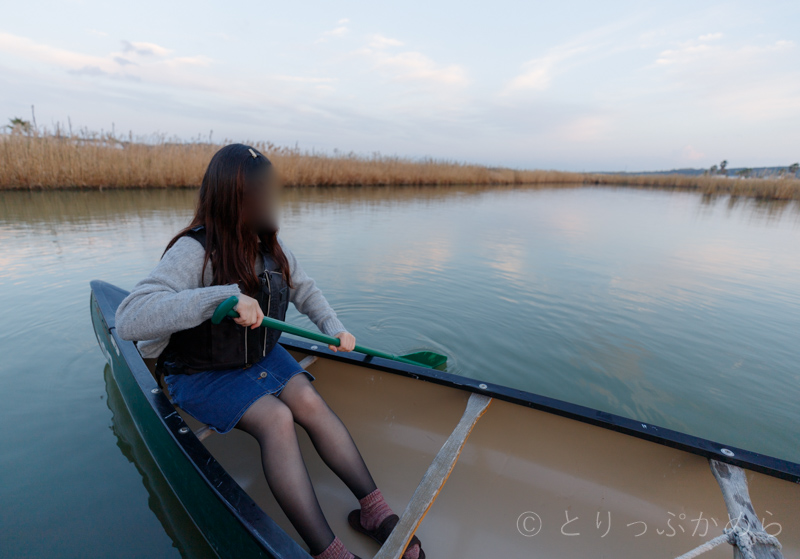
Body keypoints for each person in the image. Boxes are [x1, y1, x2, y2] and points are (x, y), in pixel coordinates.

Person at [115, 144, 423, 559]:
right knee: (277, 419)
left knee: (307, 401)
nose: (271, 200)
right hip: (198, 370)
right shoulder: (192, 251)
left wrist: (336, 329)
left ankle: (376, 511)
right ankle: (329, 552)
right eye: (261, 193)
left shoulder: (270, 246)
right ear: (232, 197)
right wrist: (218, 298)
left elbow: (305, 289)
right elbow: (130, 317)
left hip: (256, 355)